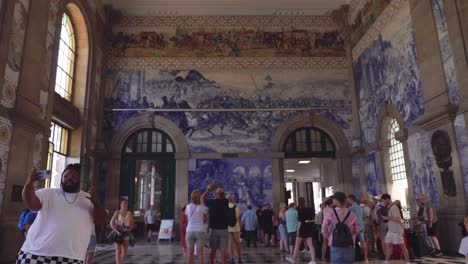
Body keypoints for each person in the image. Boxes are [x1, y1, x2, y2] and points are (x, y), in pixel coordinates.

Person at [17, 164, 105, 264]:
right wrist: (30, 183)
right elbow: (31, 204)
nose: (69, 179)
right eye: (66, 176)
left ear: (80, 180)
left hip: (71, 257)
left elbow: (100, 220)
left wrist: (96, 203)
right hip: (35, 253)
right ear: (61, 178)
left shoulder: (88, 198)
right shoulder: (49, 193)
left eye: (73, 177)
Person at [322, 192, 359, 264]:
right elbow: (356, 230)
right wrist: (353, 237)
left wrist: (329, 236)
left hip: (335, 243)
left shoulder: (330, 213)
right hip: (349, 244)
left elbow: (324, 227)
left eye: (333, 199)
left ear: (336, 201)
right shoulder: (351, 214)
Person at [202, 184, 229, 264]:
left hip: (213, 230)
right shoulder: (225, 201)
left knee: (213, 250)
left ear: (216, 194)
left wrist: (208, 189)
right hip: (224, 229)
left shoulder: (212, 202)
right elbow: (220, 195)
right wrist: (216, 192)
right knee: (223, 251)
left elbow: (202, 198)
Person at [380, 193, 410, 264]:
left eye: (384, 200)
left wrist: (387, 218)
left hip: (396, 230)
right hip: (391, 230)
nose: (383, 202)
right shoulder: (390, 207)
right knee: (388, 244)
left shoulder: (394, 207)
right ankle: (386, 261)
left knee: (402, 246)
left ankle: (408, 262)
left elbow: (398, 219)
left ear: (387, 199)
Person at [286, 197, 317, 264]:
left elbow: (300, 221)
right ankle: (313, 260)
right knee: (310, 245)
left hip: (302, 228)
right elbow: (312, 218)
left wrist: (298, 230)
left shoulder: (300, 211)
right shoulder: (309, 209)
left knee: (297, 244)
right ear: (305, 202)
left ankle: (293, 259)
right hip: (309, 227)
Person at [186, 190, 209, 264]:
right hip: (200, 231)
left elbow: (187, 219)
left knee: (190, 254)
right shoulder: (202, 207)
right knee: (200, 254)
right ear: (199, 197)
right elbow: (205, 219)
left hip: (190, 230)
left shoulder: (188, 207)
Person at [110, 199, 135, 264]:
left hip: (126, 232)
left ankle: (120, 262)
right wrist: (116, 231)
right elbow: (111, 223)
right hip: (118, 232)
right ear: (120, 205)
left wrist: (129, 229)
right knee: (118, 251)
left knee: (125, 252)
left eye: (126, 203)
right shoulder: (117, 212)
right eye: (124, 203)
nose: (126, 205)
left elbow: (132, 224)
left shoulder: (129, 213)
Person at [348, 194, 368, 262]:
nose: (348, 201)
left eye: (348, 200)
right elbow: (363, 217)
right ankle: (365, 257)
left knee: (353, 242)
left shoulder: (351, 208)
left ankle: (352, 257)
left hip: (355, 226)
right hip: (361, 225)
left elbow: (350, 218)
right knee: (363, 242)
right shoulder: (360, 207)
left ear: (351, 199)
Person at [228, 194, 242, 264]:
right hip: (236, 227)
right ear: (232, 199)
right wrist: (241, 226)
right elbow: (238, 218)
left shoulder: (225, 207)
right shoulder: (236, 207)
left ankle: (231, 258)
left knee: (230, 244)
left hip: (228, 227)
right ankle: (239, 258)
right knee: (238, 243)